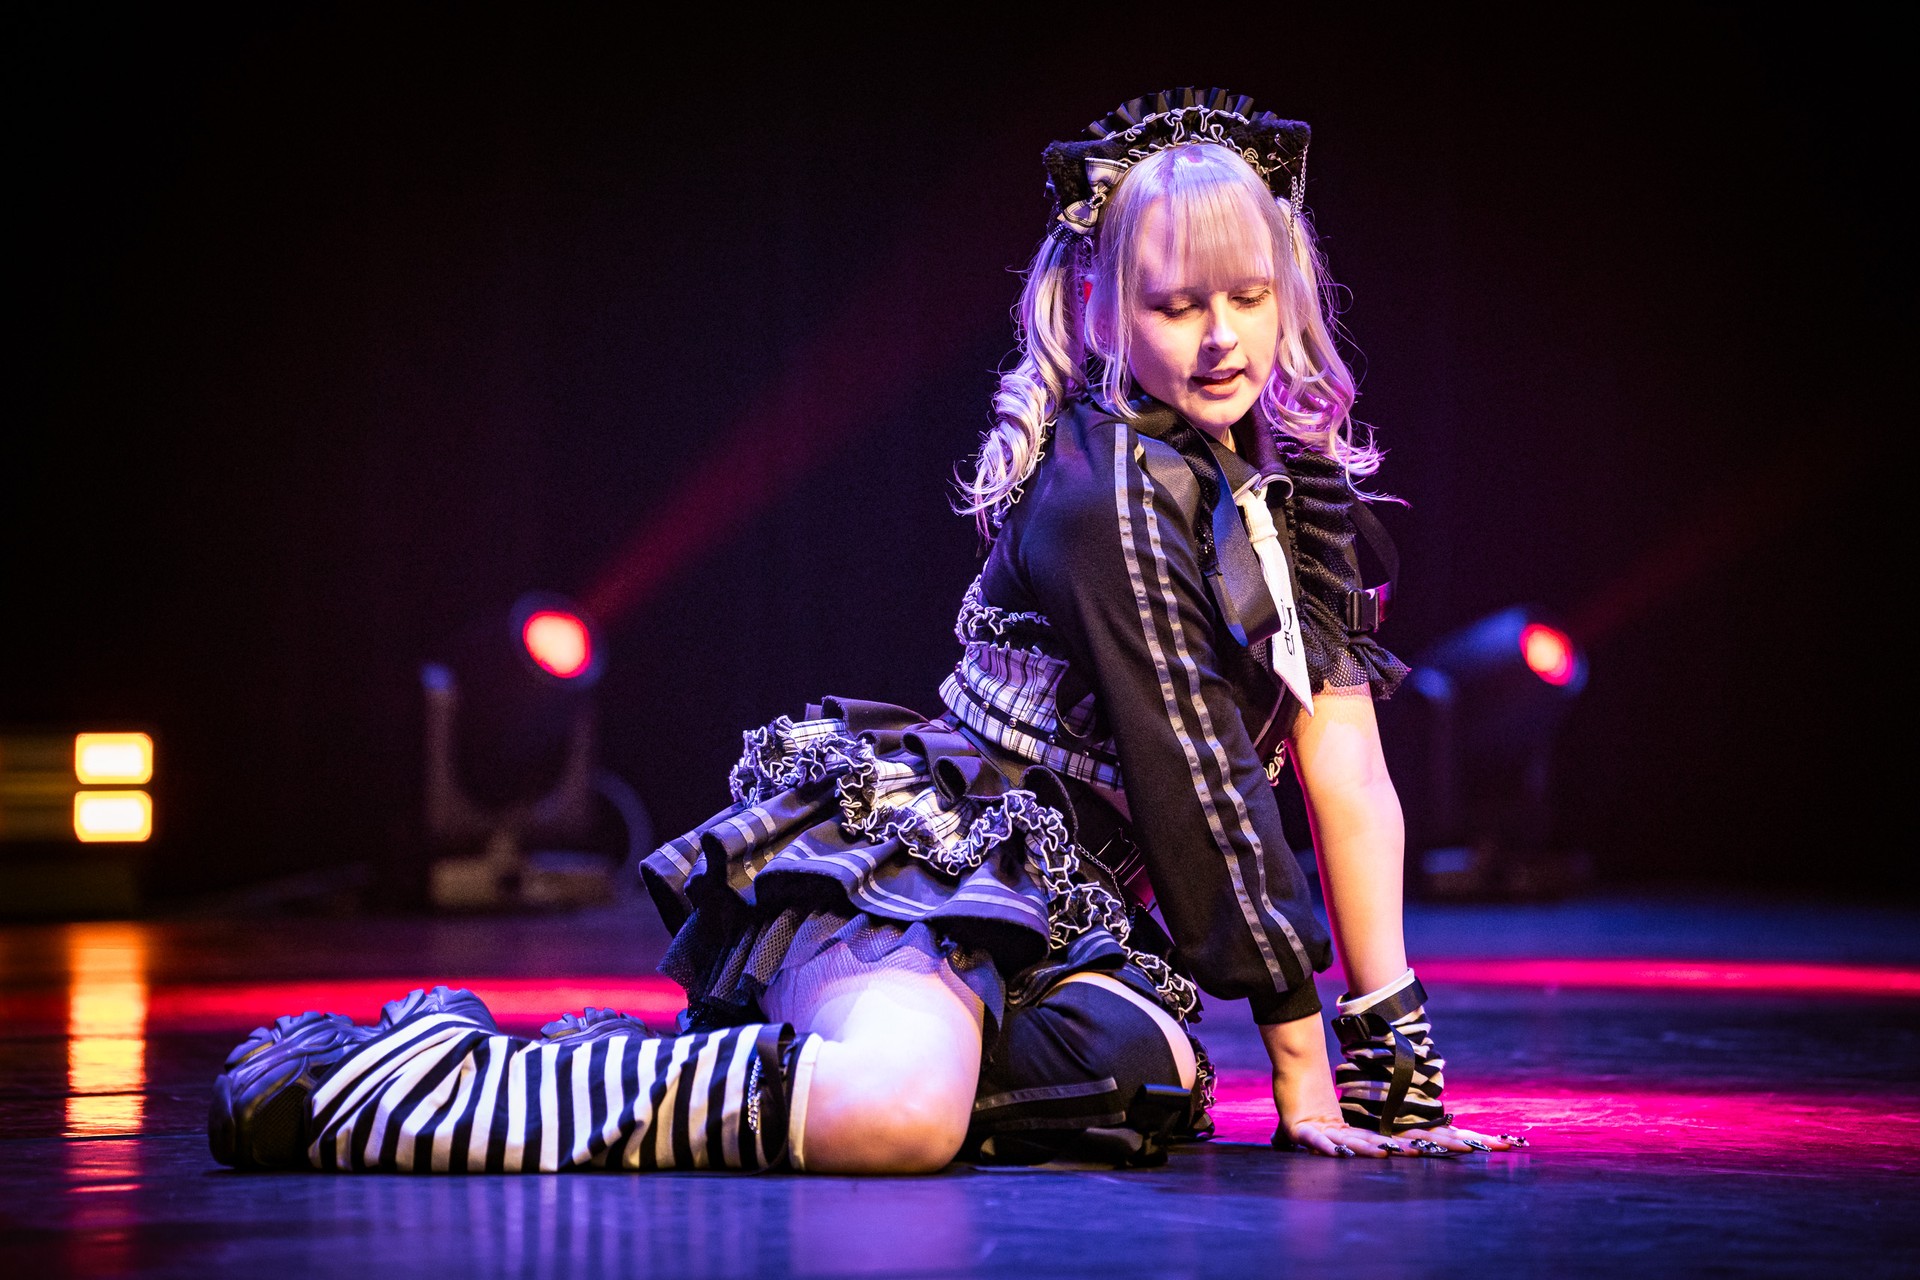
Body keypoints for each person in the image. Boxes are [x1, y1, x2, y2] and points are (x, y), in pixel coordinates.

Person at [209, 87, 1523, 1176]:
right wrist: (1299, 1065)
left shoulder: (1300, 501)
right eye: (1178, 305)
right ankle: (403, 1084)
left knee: (1139, 1075)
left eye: (1248, 297)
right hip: (930, 884)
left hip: (1072, 940)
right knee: (901, 1119)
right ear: (1102, 308)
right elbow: (1196, 768)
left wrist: (1393, 1070)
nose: (1222, 337)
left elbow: (1349, 777)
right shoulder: (1109, 489)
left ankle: (727, 1064)